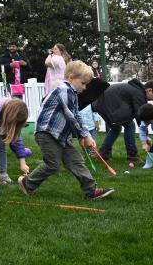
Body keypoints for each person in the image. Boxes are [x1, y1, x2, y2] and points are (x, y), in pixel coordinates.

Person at [18, 61, 114, 201]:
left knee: (76, 161)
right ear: (70, 78)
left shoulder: (72, 93)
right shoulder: (64, 89)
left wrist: (82, 135)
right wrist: (85, 135)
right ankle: (28, 183)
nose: (85, 87)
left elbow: (76, 115)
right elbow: (71, 115)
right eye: (83, 83)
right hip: (47, 133)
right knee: (53, 164)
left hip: (62, 135)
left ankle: (91, 191)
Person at [85, 79, 153, 162]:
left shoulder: (136, 90)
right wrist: (145, 136)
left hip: (101, 105)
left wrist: (144, 135)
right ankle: (132, 155)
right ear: (149, 90)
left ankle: (104, 153)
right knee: (130, 125)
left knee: (116, 128)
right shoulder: (139, 93)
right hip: (108, 105)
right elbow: (140, 114)